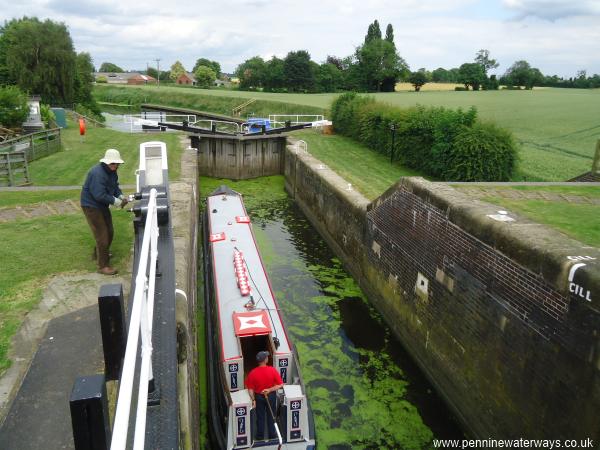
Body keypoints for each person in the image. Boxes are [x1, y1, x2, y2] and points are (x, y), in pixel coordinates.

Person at [81, 149, 129, 275]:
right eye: (112, 163)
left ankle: (99, 253)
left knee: (109, 231)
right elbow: (99, 195)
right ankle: (103, 266)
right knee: (102, 235)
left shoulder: (112, 172)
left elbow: (114, 187)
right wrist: (117, 202)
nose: (115, 166)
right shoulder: (97, 174)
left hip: (102, 205)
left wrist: (121, 196)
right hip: (91, 206)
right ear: (106, 162)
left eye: (117, 164)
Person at [245, 350, 284, 441]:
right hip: (270, 396)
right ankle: (272, 435)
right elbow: (280, 384)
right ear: (265, 360)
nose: (267, 358)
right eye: (266, 357)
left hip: (259, 397)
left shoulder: (252, 373)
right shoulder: (272, 370)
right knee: (271, 415)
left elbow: (250, 389)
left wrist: (253, 399)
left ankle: (259, 436)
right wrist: (270, 390)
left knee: (260, 417)